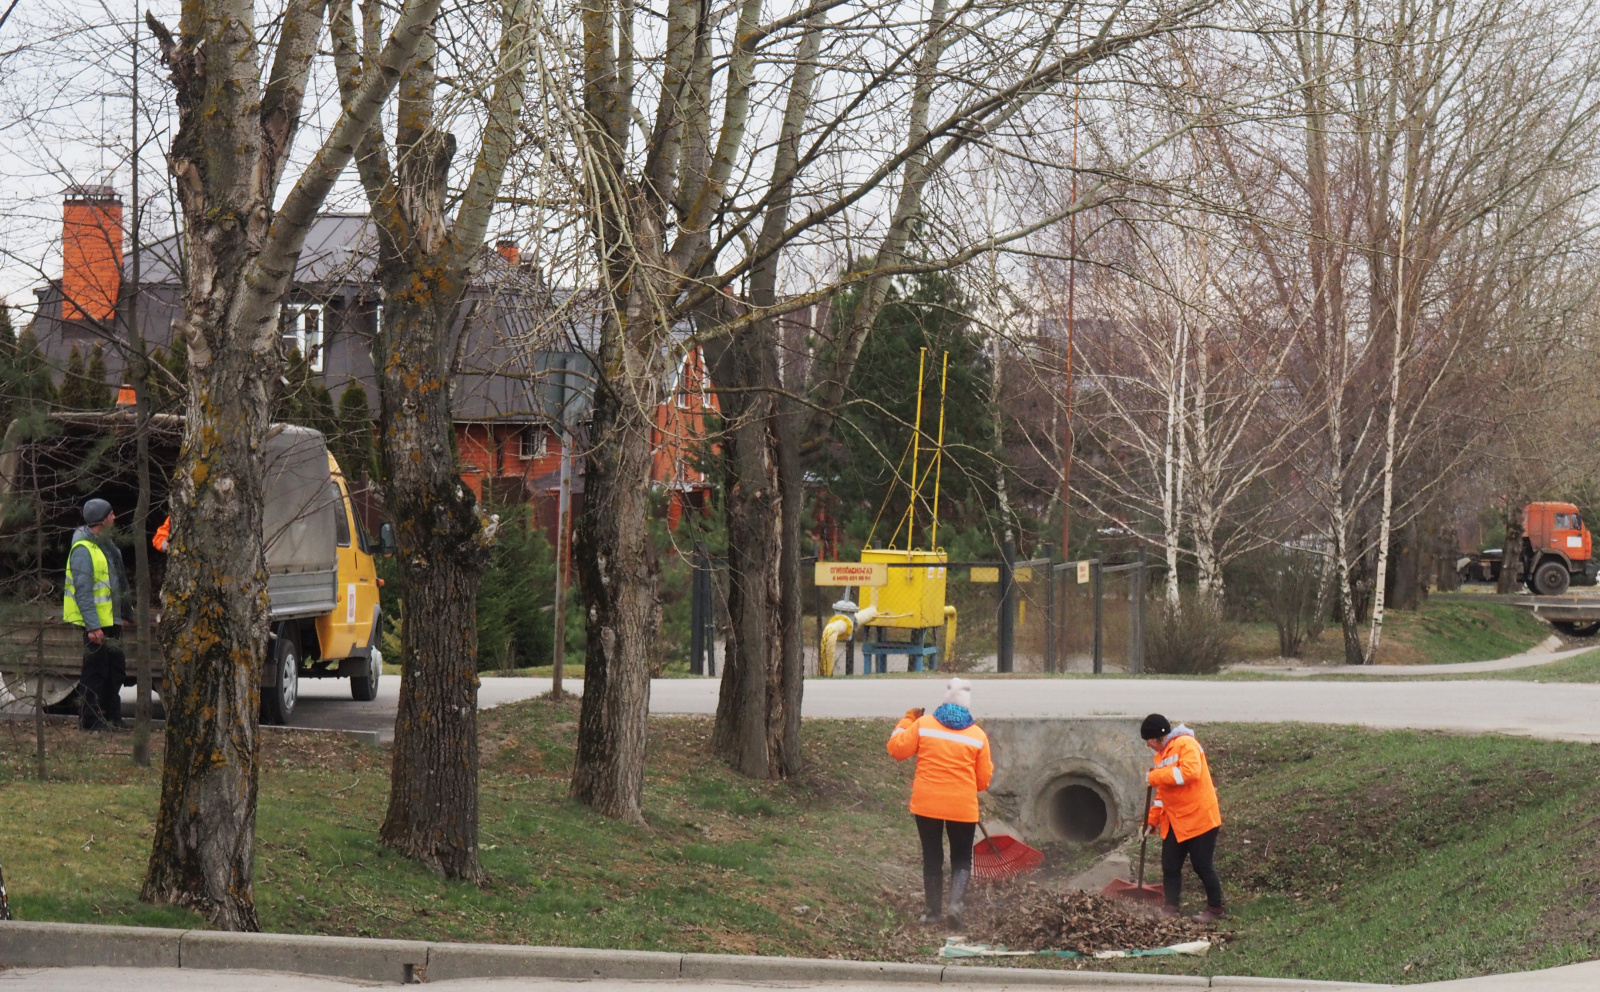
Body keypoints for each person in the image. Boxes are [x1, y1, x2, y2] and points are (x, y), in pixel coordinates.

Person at [887, 677, 993, 927]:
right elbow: (983, 780)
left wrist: (907, 720)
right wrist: (965, 788)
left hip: (927, 804)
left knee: (932, 855)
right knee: (962, 857)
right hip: (962, 806)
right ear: (967, 706)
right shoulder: (978, 735)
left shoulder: (923, 725)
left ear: (944, 702)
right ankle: (955, 905)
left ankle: (932, 912)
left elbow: (896, 749)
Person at [1141, 713, 1224, 922]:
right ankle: (1171, 908)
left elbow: (1190, 773)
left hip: (1200, 817)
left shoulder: (1186, 744)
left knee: (1202, 865)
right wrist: (1151, 821)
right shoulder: (1162, 755)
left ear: (1157, 737)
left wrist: (1154, 776)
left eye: (1148, 741)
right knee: (1170, 864)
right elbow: (1162, 795)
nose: (1148, 746)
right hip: (1176, 820)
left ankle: (1215, 909)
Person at [64, 498, 129, 731]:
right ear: (102, 519)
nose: (114, 517)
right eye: (111, 514)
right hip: (97, 624)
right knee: (95, 673)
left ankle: (112, 717)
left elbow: (117, 582)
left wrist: (123, 616)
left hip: (111, 620)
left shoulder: (107, 545)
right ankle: (91, 722)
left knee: (116, 670)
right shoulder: (83, 549)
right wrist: (92, 626)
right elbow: (83, 591)